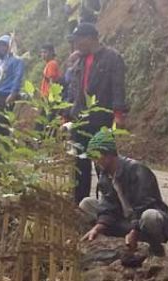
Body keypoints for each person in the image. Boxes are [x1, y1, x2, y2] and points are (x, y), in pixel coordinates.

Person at [79, 130, 168, 257]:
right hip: (123, 220)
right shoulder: (105, 175)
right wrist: (98, 227)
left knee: (150, 216)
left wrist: (134, 231)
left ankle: (155, 248)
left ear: (109, 155)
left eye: (97, 157)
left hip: (141, 222)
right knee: (87, 204)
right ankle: (99, 243)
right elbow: (108, 206)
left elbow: (145, 205)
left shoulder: (137, 170)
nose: (95, 162)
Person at [69, 23, 128, 204]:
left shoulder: (112, 58)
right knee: (79, 162)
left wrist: (118, 113)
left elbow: (117, 86)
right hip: (80, 118)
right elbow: (73, 90)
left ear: (90, 38)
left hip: (101, 117)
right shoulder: (79, 61)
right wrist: (67, 113)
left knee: (104, 162)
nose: (76, 45)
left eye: (78, 40)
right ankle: (81, 203)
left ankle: (111, 205)